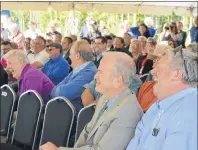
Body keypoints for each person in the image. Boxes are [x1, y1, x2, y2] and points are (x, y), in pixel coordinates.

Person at [40, 52, 143, 150]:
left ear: (117, 80)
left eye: (100, 72)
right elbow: (87, 133)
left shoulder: (128, 112)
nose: (95, 76)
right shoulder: (104, 99)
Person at [127, 46, 197, 150]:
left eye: (158, 67)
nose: (153, 71)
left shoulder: (189, 113)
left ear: (176, 74)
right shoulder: (159, 105)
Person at [50, 40, 97, 112]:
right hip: (64, 112)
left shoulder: (89, 72)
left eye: (71, 54)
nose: (69, 57)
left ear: (77, 55)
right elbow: (53, 90)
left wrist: (57, 90)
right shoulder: (78, 69)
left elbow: (65, 93)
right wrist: (57, 90)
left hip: (74, 117)